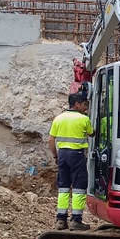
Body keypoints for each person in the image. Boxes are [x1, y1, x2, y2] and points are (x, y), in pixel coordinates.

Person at [48, 93, 93, 231]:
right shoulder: (83, 119)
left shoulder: (58, 119)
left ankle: (61, 220)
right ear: (77, 104)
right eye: (84, 104)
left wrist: (55, 156)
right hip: (77, 156)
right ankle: (76, 220)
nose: (86, 108)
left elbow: (51, 140)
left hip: (62, 155)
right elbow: (92, 134)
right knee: (79, 188)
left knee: (63, 187)